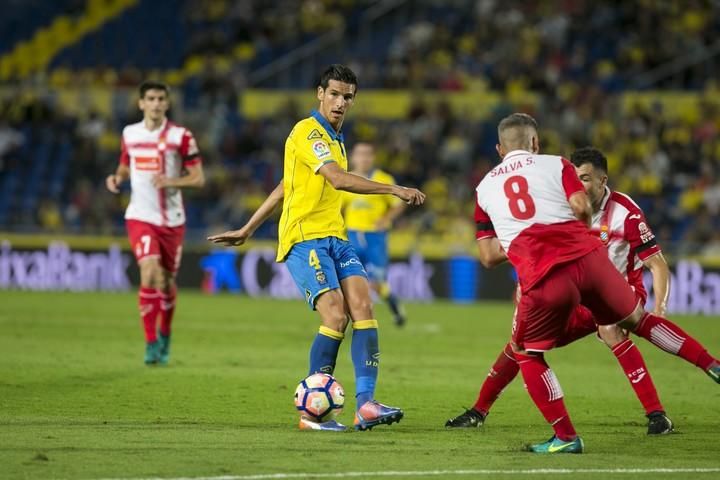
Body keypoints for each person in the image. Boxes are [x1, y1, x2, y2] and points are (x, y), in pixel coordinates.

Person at [469, 114, 719, 453]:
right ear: (535, 143)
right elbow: (581, 207)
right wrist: (576, 230)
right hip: (591, 261)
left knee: (527, 352)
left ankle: (566, 437)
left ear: (499, 149)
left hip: (546, 275)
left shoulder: (484, 189)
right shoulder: (557, 164)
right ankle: (710, 363)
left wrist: (519, 239)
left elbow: (486, 256)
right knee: (638, 320)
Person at [208, 64, 425, 431]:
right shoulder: (307, 132)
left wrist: (247, 227)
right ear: (319, 94)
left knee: (364, 307)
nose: (341, 102)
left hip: (337, 238)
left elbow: (285, 186)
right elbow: (337, 180)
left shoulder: (336, 140)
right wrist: (393, 188)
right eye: (335, 94)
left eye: (348, 97)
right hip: (304, 236)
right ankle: (311, 414)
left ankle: (365, 404)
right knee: (336, 316)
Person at [106, 81, 205, 365]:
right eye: (151, 98)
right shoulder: (130, 133)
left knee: (166, 282)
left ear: (167, 103)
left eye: (161, 98)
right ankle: (150, 343)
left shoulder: (181, 136)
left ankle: (165, 331)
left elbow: (198, 178)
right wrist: (117, 178)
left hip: (172, 221)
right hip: (140, 216)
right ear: (141, 103)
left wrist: (171, 180)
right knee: (148, 273)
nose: (156, 103)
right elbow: (125, 164)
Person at [342, 142, 407, 326]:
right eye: (360, 154)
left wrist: (387, 218)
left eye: (367, 154)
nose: (364, 158)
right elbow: (337, 208)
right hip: (352, 236)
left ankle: (395, 307)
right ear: (353, 157)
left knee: (377, 282)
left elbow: (398, 204)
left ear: (373, 158)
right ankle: (351, 318)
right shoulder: (345, 179)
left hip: (375, 238)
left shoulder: (384, 179)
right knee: (351, 280)